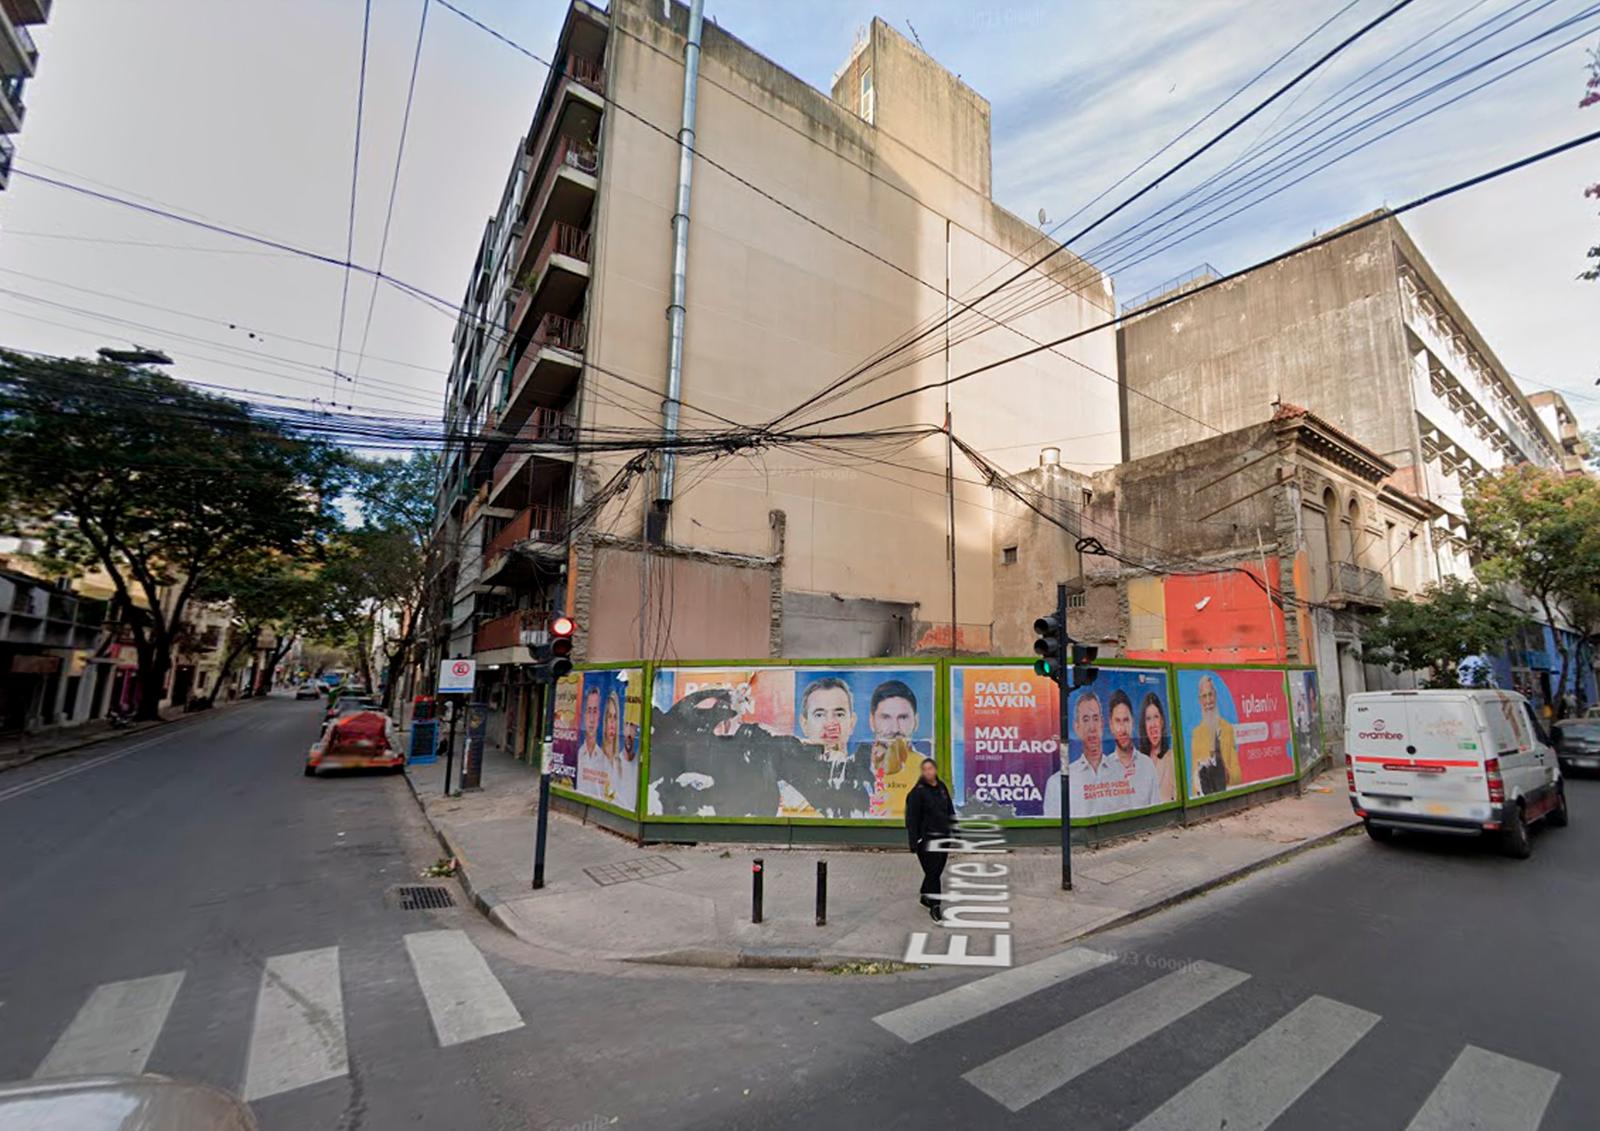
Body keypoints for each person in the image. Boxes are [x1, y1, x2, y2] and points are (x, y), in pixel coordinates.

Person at [782, 677, 869, 816]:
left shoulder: (871, 783)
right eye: (820, 715)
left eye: (839, 714)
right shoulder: (787, 789)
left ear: (852, 723)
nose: (830, 724)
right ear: (804, 724)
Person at [853, 679, 927, 817]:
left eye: (903, 717)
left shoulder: (926, 769)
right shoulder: (851, 766)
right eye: (886, 717)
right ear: (872, 721)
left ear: (916, 721)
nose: (895, 728)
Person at [904, 758, 955, 922]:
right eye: (925, 769)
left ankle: (925, 895)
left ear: (935, 770)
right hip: (926, 839)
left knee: (936, 870)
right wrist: (914, 841)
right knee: (933, 873)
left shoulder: (941, 788)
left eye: (930, 768)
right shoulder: (917, 793)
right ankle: (935, 905)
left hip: (943, 837)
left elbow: (950, 809)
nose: (928, 772)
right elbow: (911, 819)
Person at [1107, 689, 1161, 810]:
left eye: (1126, 720)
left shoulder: (1147, 765)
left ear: (1133, 722)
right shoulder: (1104, 769)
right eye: (1117, 721)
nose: (1122, 728)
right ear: (1111, 726)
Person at [1189, 674, 1240, 795]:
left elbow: (1238, 774)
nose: (1208, 701)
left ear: (1215, 696)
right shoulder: (1196, 734)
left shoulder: (1227, 728)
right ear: (1200, 700)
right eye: (1204, 696)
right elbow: (1194, 779)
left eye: (1210, 694)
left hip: (1225, 791)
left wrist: (1226, 774)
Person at [1138, 691, 1177, 805]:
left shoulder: (1171, 758)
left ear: (1162, 721)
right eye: (1148, 718)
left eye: (1156, 717)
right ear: (1144, 725)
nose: (1153, 724)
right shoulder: (1138, 761)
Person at [575, 683, 607, 796]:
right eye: (589, 711)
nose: (592, 719)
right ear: (584, 715)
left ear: (599, 715)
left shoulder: (605, 758)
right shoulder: (576, 754)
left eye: (595, 711)